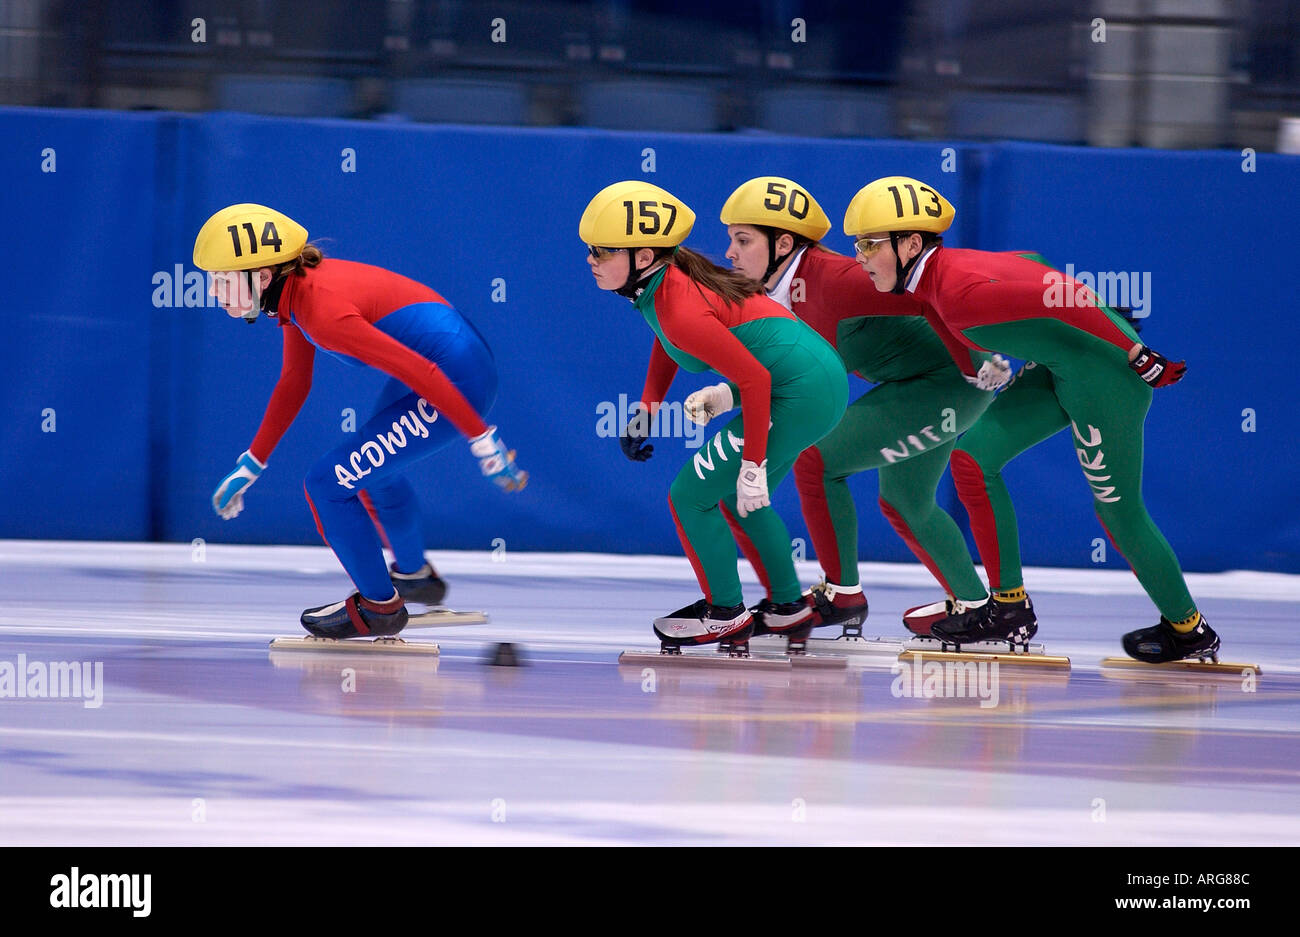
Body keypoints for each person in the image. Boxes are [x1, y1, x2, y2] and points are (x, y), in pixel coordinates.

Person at [842, 177, 1214, 663]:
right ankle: (1009, 608)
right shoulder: (931, 281)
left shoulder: (958, 291)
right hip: (1063, 364)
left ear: (911, 243)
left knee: (1119, 512)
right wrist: (972, 366)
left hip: (1106, 375)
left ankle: (1188, 629)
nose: (859, 258)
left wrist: (1132, 348)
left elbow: (1062, 289)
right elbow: (1029, 264)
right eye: (856, 246)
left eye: (868, 245)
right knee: (973, 459)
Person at [193, 203, 526, 640]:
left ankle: (378, 608)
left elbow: (421, 372)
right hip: (449, 358)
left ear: (262, 276)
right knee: (372, 473)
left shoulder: (321, 311)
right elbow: (294, 381)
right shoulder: (294, 295)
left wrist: (483, 442)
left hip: (452, 375)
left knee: (327, 483)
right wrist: (251, 463)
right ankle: (413, 576)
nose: (215, 292)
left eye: (222, 280)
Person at [719, 176, 1009, 636]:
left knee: (818, 461)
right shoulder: (772, 293)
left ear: (783, 243)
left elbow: (934, 290)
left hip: (947, 386)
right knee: (906, 500)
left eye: (742, 239)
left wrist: (980, 357)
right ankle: (976, 606)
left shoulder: (835, 278)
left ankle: (842, 595)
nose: (729, 253)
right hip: (922, 387)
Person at [580, 181, 848, 652]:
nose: (591, 260)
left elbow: (756, 381)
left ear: (643, 256)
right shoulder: (661, 284)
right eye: (591, 250)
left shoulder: (677, 301)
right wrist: (648, 408)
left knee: (690, 495)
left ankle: (725, 613)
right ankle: (787, 607)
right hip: (815, 382)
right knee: (739, 500)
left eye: (602, 251)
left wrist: (751, 466)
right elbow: (667, 342)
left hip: (795, 392)